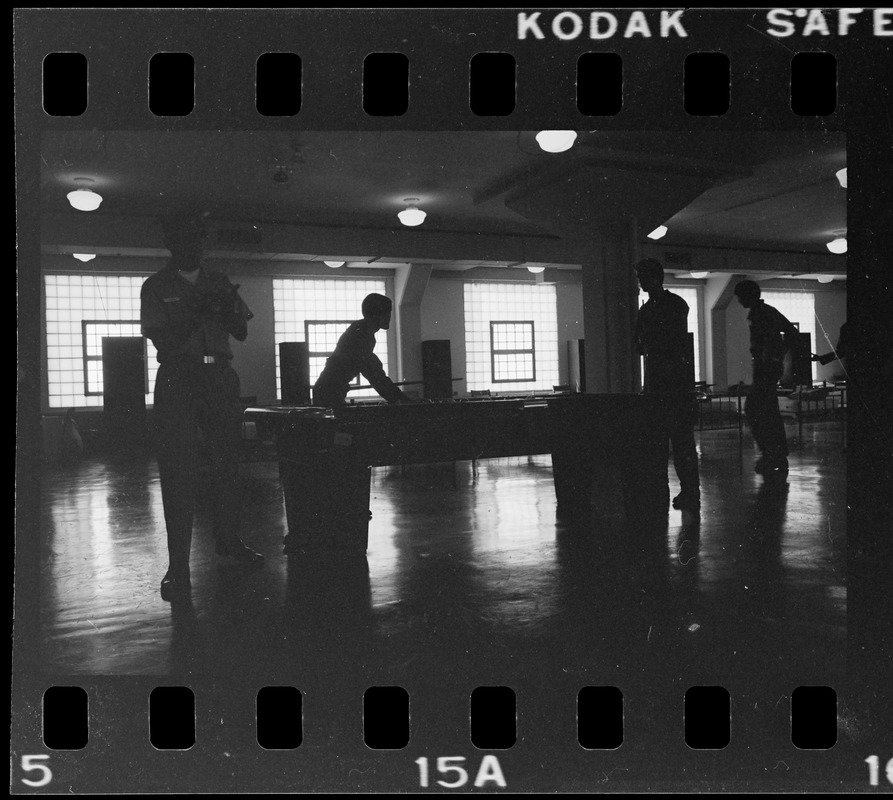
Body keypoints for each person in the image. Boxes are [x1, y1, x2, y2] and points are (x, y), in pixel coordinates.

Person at [141, 212, 263, 601]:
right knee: (178, 469)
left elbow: (241, 330)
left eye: (198, 241)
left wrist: (223, 307)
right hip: (178, 377)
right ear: (171, 244)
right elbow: (162, 342)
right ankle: (178, 567)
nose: (193, 248)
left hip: (219, 377)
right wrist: (198, 310)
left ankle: (229, 543)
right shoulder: (156, 286)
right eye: (184, 241)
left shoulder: (219, 281)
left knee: (228, 463)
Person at [634, 258, 701, 511]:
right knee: (677, 443)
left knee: (668, 442)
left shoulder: (650, 309)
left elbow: (641, 345)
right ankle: (688, 491)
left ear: (653, 278)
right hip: (672, 384)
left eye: (642, 277)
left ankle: (678, 491)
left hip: (663, 384)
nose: (640, 282)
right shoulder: (674, 305)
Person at [733, 279, 800, 478]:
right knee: (767, 410)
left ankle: (771, 452)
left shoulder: (761, 314)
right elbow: (790, 332)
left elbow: (784, 335)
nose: (738, 301)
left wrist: (772, 355)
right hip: (767, 367)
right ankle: (776, 453)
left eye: (740, 297)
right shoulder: (766, 311)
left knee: (755, 409)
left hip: (766, 368)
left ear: (748, 296)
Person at [312, 293, 409, 408]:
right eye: (386, 312)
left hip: (327, 391)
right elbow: (374, 374)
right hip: (328, 393)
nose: (389, 316)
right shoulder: (361, 334)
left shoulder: (362, 331)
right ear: (375, 315)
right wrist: (402, 399)